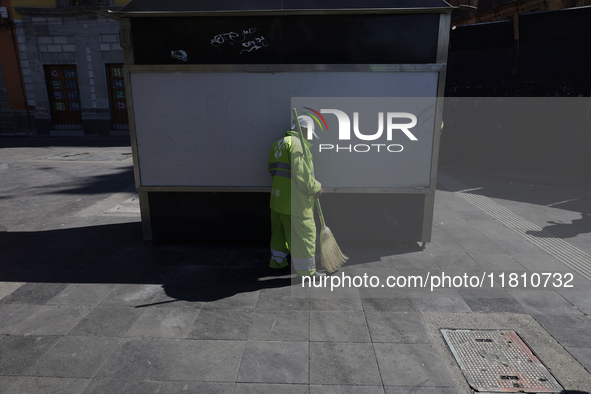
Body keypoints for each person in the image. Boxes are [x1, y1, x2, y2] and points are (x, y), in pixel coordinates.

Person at [268, 116, 324, 277]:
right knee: (304, 236)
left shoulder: (277, 144)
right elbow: (301, 174)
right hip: (296, 203)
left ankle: (277, 262)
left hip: (278, 200)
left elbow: (271, 170)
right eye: (310, 133)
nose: (310, 137)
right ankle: (308, 272)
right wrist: (315, 188)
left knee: (280, 233)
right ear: (304, 129)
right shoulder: (298, 146)